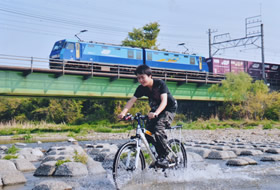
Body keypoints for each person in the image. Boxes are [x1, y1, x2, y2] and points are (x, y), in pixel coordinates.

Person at [118, 64, 177, 167]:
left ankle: (164, 155)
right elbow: (131, 101)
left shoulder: (160, 84)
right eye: (138, 78)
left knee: (158, 129)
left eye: (142, 77)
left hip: (168, 108)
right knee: (148, 134)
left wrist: (156, 113)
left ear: (150, 76)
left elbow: (164, 102)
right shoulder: (141, 88)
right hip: (155, 110)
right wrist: (123, 113)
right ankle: (158, 156)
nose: (141, 80)